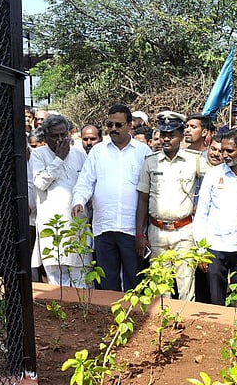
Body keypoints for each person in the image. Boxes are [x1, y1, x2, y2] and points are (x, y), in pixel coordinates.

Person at [72, 103, 151, 292]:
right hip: (104, 226)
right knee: (107, 280)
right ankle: (108, 319)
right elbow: (85, 181)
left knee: (134, 279)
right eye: (110, 125)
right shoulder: (98, 152)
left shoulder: (143, 152)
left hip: (131, 229)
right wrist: (79, 201)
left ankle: (135, 318)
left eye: (118, 125)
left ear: (130, 125)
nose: (113, 129)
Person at [135, 111, 204, 300]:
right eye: (163, 134)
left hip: (184, 231)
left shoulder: (195, 160)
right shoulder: (150, 162)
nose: (166, 139)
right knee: (160, 286)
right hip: (156, 231)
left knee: (186, 285)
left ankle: (185, 324)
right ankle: (162, 326)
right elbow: (142, 199)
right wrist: (140, 234)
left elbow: (214, 181)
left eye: (171, 134)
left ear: (181, 136)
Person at [193, 127, 237, 307]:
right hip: (215, 247)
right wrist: (201, 250)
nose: (224, 155)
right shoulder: (213, 174)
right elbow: (202, 212)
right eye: (222, 150)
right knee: (215, 300)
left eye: (229, 151)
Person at [31, 114, 89, 287]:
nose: (60, 140)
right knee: (56, 280)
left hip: (77, 224)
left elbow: (86, 183)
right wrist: (59, 159)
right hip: (52, 226)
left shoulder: (79, 153)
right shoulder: (38, 155)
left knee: (80, 277)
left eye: (63, 135)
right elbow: (40, 183)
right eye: (54, 136)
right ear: (46, 137)